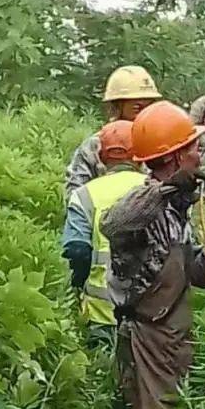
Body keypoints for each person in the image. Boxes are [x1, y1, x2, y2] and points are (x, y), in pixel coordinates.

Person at [101, 100, 205, 409]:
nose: (200, 153)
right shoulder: (143, 204)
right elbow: (113, 223)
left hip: (175, 336)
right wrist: (168, 189)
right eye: (194, 146)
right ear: (175, 157)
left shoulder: (177, 211)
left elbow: (197, 274)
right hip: (148, 337)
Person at [60, 121, 146, 347]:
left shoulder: (84, 195)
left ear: (100, 156)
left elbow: (76, 250)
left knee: (101, 376)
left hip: (101, 313)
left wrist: (78, 286)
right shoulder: (157, 189)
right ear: (140, 154)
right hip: (150, 314)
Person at [64, 65, 161, 201]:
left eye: (149, 107)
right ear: (117, 107)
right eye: (137, 107)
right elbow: (74, 197)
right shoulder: (95, 146)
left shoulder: (161, 145)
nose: (145, 113)